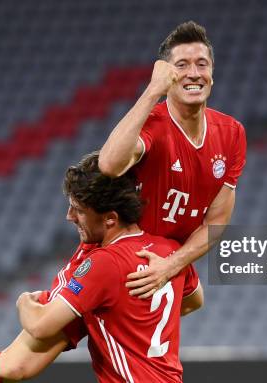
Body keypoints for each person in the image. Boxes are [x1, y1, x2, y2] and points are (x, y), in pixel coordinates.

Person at [0, 152, 203, 383]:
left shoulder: (104, 262)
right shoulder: (168, 250)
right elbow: (193, 301)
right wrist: (122, 313)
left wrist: (24, 302)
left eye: (79, 210)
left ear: (110, 219)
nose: (69, 216)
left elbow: (39, 326)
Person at [98, 21, 247, 298]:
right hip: (127, 256)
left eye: (202, 64)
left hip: (168, 259)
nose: (194, 73)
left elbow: (216, 221)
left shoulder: (232, 133)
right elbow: (108, 165)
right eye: (181, 65)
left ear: (212, 74)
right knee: (46, 334)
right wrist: (154, 90)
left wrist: (171, 265)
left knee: (194, 300)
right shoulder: (152, 123)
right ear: (167, 75)